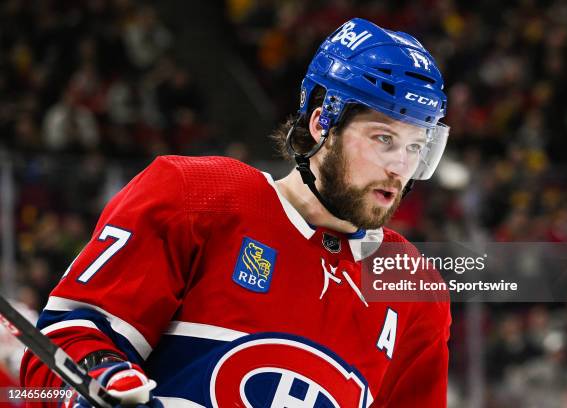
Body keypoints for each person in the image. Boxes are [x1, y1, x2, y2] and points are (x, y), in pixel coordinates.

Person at [21, 18, 451, 407]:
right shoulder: (196, 196)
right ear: (323, 124)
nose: (400, 167)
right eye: (383, 138)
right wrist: (100, 381)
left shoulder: (413, 289)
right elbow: (65, 342)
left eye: (415, 147)